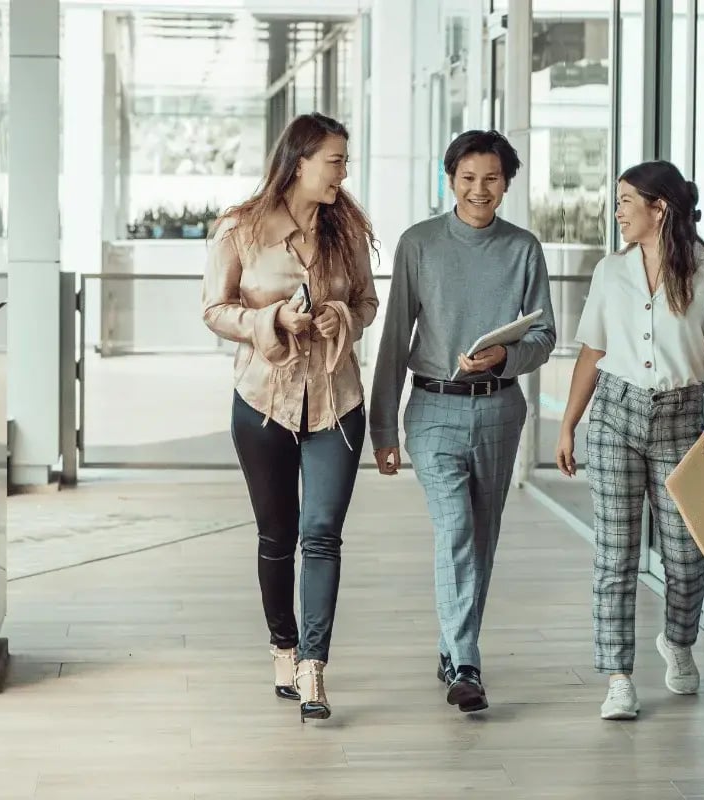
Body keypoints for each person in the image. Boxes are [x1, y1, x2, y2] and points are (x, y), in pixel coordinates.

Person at [369, 130, 556, 713]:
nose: (480, 190)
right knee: (455, 530)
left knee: (482, 535)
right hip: (433, 408)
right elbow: (396, 336)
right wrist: (382, 430)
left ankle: (454, 648)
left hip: (500, 408)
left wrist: (506, 355)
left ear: (507, 183)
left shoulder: (523, 249)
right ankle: (466, 662)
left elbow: (544, 335)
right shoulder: (419, 244)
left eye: (492, 179)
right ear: (450, 179)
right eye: (469, 178)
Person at [201, 112, 378, 721]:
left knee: (322, 534)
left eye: (345, 161)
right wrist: (273, 320)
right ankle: (282, 645)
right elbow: (215, 310)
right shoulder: (241, 229)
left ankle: (312, 666)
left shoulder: (347, 229)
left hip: (338, 402)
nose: (343, 172)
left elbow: (366, 301)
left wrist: (340, 319)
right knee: (277, 536)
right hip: (262, 401)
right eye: (334, 160)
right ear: (299, 160)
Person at [554, 161, 704, 720]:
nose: (617, 212)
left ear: (659, 208)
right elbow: (592, 351)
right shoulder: (610, 272)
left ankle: (678, 642)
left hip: (685, 423)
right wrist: (569, 422)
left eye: (625, 201)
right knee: (615, 555)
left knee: (687, 558)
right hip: (614, 416)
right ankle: (618, 676)